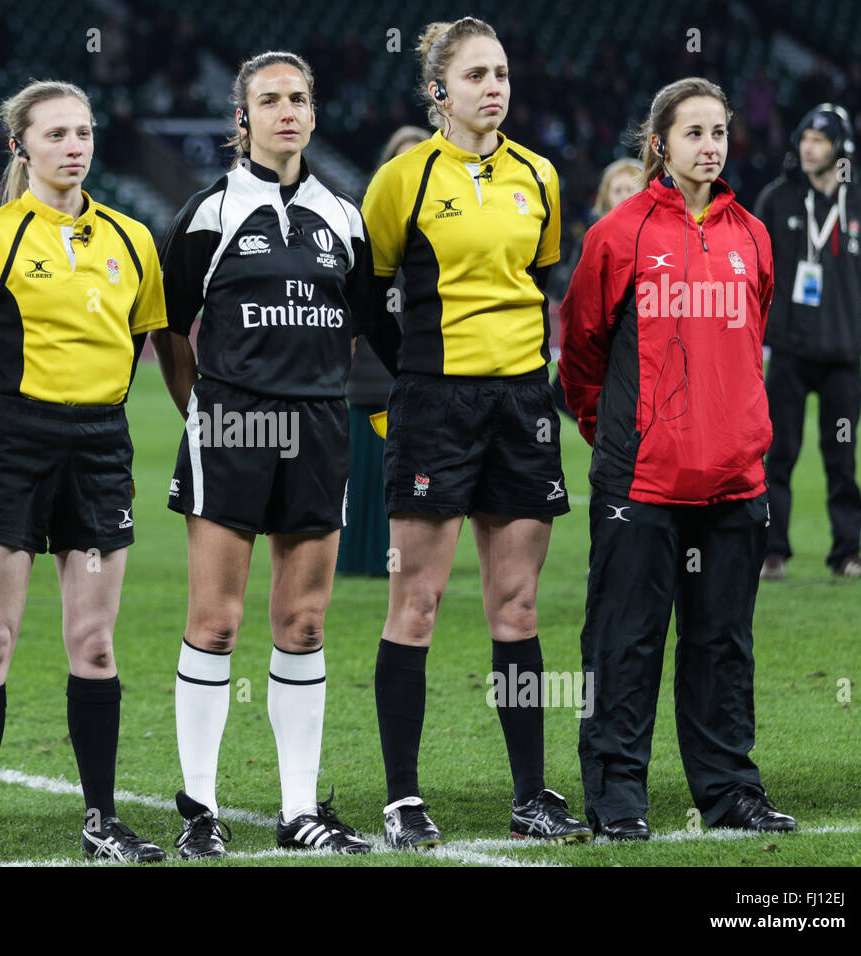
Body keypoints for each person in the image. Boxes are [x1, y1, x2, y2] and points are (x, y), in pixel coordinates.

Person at [152, 50, 396, 858]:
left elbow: (361, 325)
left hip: (321, 433)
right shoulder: (208, 214)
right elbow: (169, 328)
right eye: (270, 99)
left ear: (314, 113)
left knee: (303, 622)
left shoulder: (346, 217)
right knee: (216, 625)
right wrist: (203, 411)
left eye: (298, 98)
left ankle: (299, 812)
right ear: (242, 119)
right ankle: (201, 809)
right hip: (232, 430)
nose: (287, 110)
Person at [360, 17, 590, 848]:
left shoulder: (541, 175)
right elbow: (368, 291)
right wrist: (416, 375)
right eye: (475, 76)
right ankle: (402, 799)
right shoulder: (403, 179)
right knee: (416, 604)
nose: (493, 88)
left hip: (523, 404)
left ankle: (531, 794)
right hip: (435, 405)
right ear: (438, 91)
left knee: (518, 606)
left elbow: (538, 279)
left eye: (500, 74)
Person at [0, 80, 169, 865]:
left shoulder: (134, 238)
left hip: (102, 448)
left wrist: (96, 425)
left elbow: (140, 346)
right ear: (20, 146)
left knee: (95, 645)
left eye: (84, 132)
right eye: (57, 134)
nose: (74, 146)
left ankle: (101, 819)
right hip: (13, 442)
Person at [560, 77, 798, 841]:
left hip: (735, 482)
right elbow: (582, 356)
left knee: (722, 644)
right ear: (660, 144)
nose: (710, 146)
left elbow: (747, 346)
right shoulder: (617, 234)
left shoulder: (753, 237)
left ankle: (730, 791)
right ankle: (618, 797)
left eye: (720, 132)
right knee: (624, 641)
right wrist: (624, 439)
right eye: (694, 133)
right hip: (643, 482)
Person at [754, 104, 861, 580]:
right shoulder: (776, 198)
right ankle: (773, 552)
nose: (808, 146)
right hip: (789, 352)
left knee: (842, 458)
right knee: (779, 456)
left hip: (843, 356)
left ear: (840, 149)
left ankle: (847, 553)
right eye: (804, 138)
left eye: (819, 140)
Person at [337, 126, 431, 579]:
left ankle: (405, 554)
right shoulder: (365, 222)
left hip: (423, 370)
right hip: (370, 372)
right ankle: (359, 554)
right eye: (402, 159)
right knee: (364, 468)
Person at [551, 157, 645, 417]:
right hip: (605, 355)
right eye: (618, 190)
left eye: (631, 189)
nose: (625, 196)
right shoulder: (591, 240)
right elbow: (575, 300)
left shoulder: (666, 238)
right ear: (605, 198)